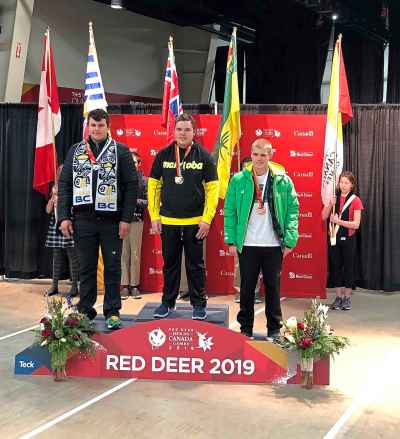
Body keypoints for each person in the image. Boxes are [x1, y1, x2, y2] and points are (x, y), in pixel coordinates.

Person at [57, 108, 138, 330]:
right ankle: (85, 310)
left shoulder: (120, 151)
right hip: (83, 220)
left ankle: (112, 311)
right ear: (88, 126)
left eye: (101, 125)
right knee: (86, 267)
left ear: (107, 126)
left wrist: (126, 219)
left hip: (112, 221)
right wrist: (63, 216)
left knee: (112, 267)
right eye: (93, 125)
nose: (97, 129)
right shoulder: (75, 151)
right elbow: (64, 185)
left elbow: (131, 186)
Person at [224, 138, 299, 340]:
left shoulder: (283, 180)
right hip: (247, 244)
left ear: (270, 155)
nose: (258, 159)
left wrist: (290, 240)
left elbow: (293, 210)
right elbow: (230, 211)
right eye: (255, 154)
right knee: (247, 288)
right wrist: (230, 239)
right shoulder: (239, 179)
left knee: (273, 288)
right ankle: (245, 328)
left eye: (263, 155)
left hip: (273, 244)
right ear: (251, 154)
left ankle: (274, 328)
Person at [148, 113, 219, 320]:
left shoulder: (204, 156)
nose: (183, 133)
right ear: (174, 131)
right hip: (168, 221)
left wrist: (206, 219)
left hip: (194, 223)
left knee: (195, 265)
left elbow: (213, 190)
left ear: (194, 132)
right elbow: (153, 186)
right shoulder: (163, 155)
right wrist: (154, 215)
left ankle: (198, 304)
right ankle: (167, 303)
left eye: (187, 129)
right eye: (179, 129)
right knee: (169, 264)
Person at [322, 171, 363, 311]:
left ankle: (347, 298)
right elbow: (323, 216)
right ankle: (338, 297)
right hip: (334, 238)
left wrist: (339, 221)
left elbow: (356, 224)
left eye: (346, 182)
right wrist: (329, 204)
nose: (343, 185)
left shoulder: (355, 200)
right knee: (335, 268)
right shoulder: (334, 198)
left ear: (351, 185)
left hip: (348, 239)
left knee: (348, 268)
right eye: (341, 182)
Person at [45, 165, 79, 298]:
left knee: (73, 258)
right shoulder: (55, 188)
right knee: (56, 258)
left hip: (69, 225)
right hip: (56, 225)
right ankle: (54, 285)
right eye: (60, 172)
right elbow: (48, 211)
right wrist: (53, 198)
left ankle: (75, 286)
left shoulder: (74, 188)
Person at [233, 156, 262, 305]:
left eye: (249, 166)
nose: (247, 169)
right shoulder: (236, 184)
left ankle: (255, 293)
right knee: (240, 264)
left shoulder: (261, 185)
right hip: (241, 232)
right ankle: (240, 292)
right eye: (244, 167)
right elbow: (231, 210)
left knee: (256, 264)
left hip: (258, 232)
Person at [121, 152, 147, 299]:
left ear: (139, 164)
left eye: (135, 162)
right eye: (130, 162)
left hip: (137, 220)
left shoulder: (144, 181)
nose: (133, 165)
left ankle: (134, 285)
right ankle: (124, 285)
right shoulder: (120, 180)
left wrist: (132, 201)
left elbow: (147, 202)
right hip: (122, 221)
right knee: (124, 253)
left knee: (135, 254)